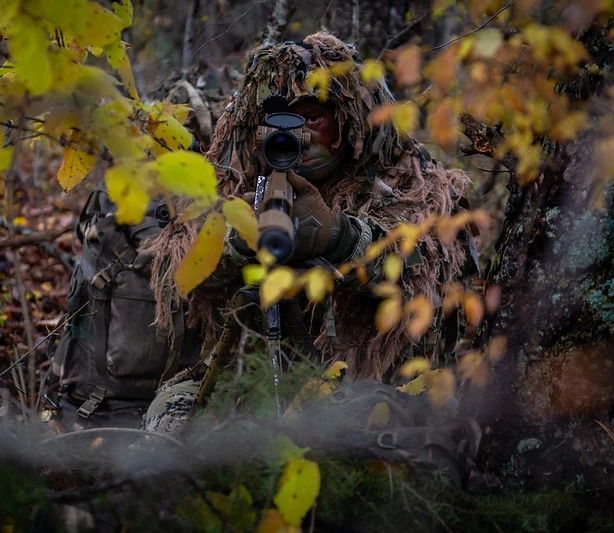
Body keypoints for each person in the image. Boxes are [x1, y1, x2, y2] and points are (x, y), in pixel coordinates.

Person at [141, 31, 475, 431]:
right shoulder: (233, 182)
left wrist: (339, 237)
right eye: (280, 123)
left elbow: (421, 267)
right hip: (247, 379)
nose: (297, 136)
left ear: (349, 120)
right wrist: (231, 243)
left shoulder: (409, 178)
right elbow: (172, 278)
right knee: (169, 425)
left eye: (312, 118)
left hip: (371, 388)